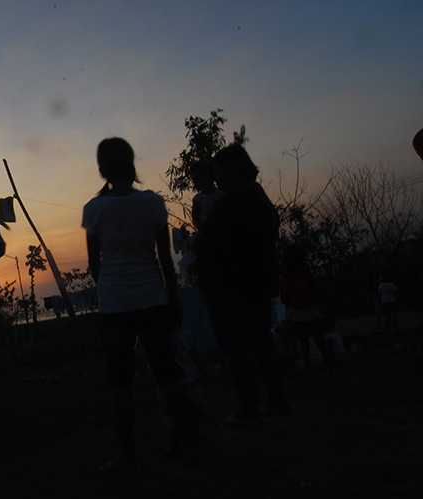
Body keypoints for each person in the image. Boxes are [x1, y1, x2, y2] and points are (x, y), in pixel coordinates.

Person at [82, 137, 198, 472]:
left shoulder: (94, 209)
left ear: (102, 169)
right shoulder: (152, 203)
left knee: (120, 382)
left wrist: (110, 289)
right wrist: (172, 298)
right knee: (168, 375)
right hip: (152, 300)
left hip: (115, 305)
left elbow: (94, 264)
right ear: (131, 164)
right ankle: (189, 447)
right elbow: (165, 260)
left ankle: (128, 456)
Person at [194, 144, 288, 426]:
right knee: (262, 339)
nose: (216, 177)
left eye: (219, 170)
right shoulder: (256, 194)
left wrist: (193, 241)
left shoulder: (235, 200)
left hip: (231, 285)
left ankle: (249, 408)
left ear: (234, 168)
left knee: (237, 347)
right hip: (256, 280)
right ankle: (276, 400)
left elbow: (209, 238)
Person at [279, 244, 334, 378]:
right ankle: (329, 365)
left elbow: (284, 298)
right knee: (319, 339)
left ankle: (308, 369)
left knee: (304, 343)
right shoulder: (308, 277)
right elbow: (316, 294)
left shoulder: (285, 280)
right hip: (312, 311)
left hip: (297, 314)